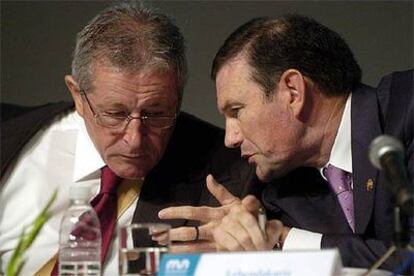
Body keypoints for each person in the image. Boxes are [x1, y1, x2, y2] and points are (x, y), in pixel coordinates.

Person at [0, 3, 257, 275]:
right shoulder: (11, 138)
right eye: (115, 114)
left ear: (178, 98)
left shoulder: (232, 175)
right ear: (78, 95)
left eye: (156, 114)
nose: (134, 140)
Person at [159, 15, 413, 273]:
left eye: (236, 111)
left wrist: (282, 238)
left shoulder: (409, 109)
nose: (230, 138)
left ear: (293, 92)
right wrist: (249, 245)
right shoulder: (281, 192)